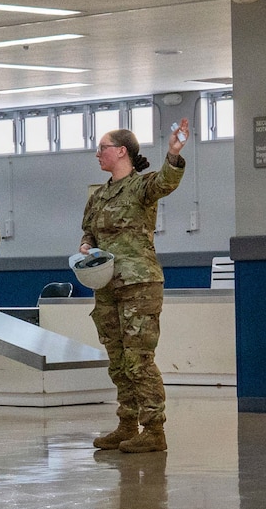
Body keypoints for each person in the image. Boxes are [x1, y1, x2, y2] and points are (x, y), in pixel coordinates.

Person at [79, 119, 190, 453]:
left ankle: (154, 429)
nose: (97, 153)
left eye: (103, 147)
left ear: (121, 151)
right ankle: (126, 424)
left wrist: (173, 153)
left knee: (138, 359)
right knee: (118, 360)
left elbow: (166, 181)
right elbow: (89, 230)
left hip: (139, 284)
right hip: (107, 285)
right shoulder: (99, 195)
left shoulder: (141, 187)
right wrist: (86, 244)